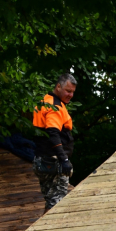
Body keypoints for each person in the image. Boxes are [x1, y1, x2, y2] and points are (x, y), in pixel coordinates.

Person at [33, 73, 77, 209]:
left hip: (41, 158)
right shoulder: (55, 107)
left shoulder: (45, 100)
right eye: (68, 91)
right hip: (53, 161)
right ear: (58, 87)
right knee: (57, 204)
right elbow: (53, 133)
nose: (70, 95)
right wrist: (64, 160)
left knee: (51, 200)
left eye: (72, 92)